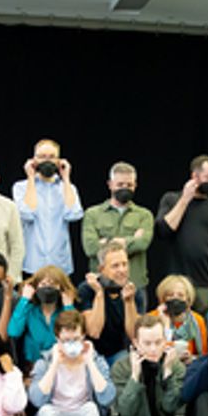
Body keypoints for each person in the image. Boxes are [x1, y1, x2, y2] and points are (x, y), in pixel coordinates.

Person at [28, 310, 115, 416]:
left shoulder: (96, 361)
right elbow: (37, 400)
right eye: (66, 340)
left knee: (90, 407)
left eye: (75, 339)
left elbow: (107, 397)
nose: (71, 344)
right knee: (45, 410)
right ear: (57, 339)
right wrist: (54, 364)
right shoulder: (44, 362)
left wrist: (89, 362)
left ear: (83, 336)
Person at [155, 155, 208, 311]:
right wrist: (185, 200)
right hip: (177, 285)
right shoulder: (172, 199)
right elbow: (163, 231)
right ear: (195, 176)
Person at [82, 162, 154, 311]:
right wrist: (129, 240)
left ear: (135, 185)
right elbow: (90, 248)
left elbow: (143, 244)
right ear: (110, 184)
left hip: (135, 285)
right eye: (120, 184)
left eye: (129, 184)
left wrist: (105, 242)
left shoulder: (144, 215)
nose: (125, 188)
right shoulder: (92, 214)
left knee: (135, 331)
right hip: (101, 286)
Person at [12, 138, 83, 276]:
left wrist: (66, 178)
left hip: (60, 264)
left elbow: (74, 215)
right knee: (26, 298)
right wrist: (31, 178)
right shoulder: (20, 187)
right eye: (42, 157)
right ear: (33, 160)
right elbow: (27, 214)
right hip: (31, 264)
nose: (47, 161)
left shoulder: (68, 188)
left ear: (59, 161)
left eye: (51, 157)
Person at [77, 241, 139, 362]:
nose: (122, 270)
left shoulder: (134, 291)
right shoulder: (87, 289)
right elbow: (94, 331)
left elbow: (134, 336)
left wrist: (129, 302)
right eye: (115, 266)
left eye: (125, 264)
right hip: (90, 354)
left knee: (126, 361)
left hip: (118, 354)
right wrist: (99, 294)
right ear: (101, 269)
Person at [7, 266, 77, 371]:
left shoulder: (66, 311)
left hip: (63, 366)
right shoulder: (29, 310)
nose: (47, 288)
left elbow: (74, 338)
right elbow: (13, 332)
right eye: (43, 284)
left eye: (53, 285)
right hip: (32, 367)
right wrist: (24, 299)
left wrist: (69, 308)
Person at [155, 274, 207, 361]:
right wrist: (166, 326)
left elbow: (203, 355)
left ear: (188, 299)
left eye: (180, 295)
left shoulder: (198, 320)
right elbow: (156, 352)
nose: (175, 299)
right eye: (170, 295)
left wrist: (192, 358)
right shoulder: (153, 318)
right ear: (163, 299)